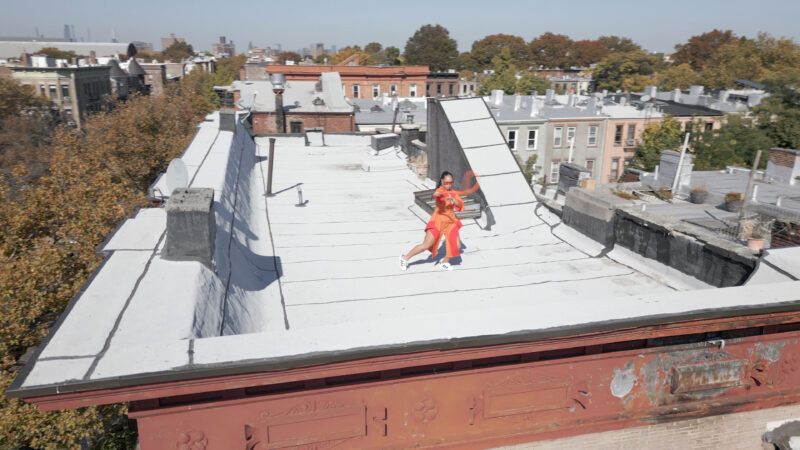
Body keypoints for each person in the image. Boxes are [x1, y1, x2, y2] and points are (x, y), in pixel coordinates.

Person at [400, 170, 479, 271]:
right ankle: (404, 258)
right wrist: (439, 195)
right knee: (426, 245)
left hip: (451, 222)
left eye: (451, 183)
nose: (449, 185)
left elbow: (460, 205)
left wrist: (455, 201)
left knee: (457, 245)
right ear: (442, 181)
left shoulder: (453, 193)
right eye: (446, 183)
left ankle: (445, 262)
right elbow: (436, 194)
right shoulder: (441, 190)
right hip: (438, 221)